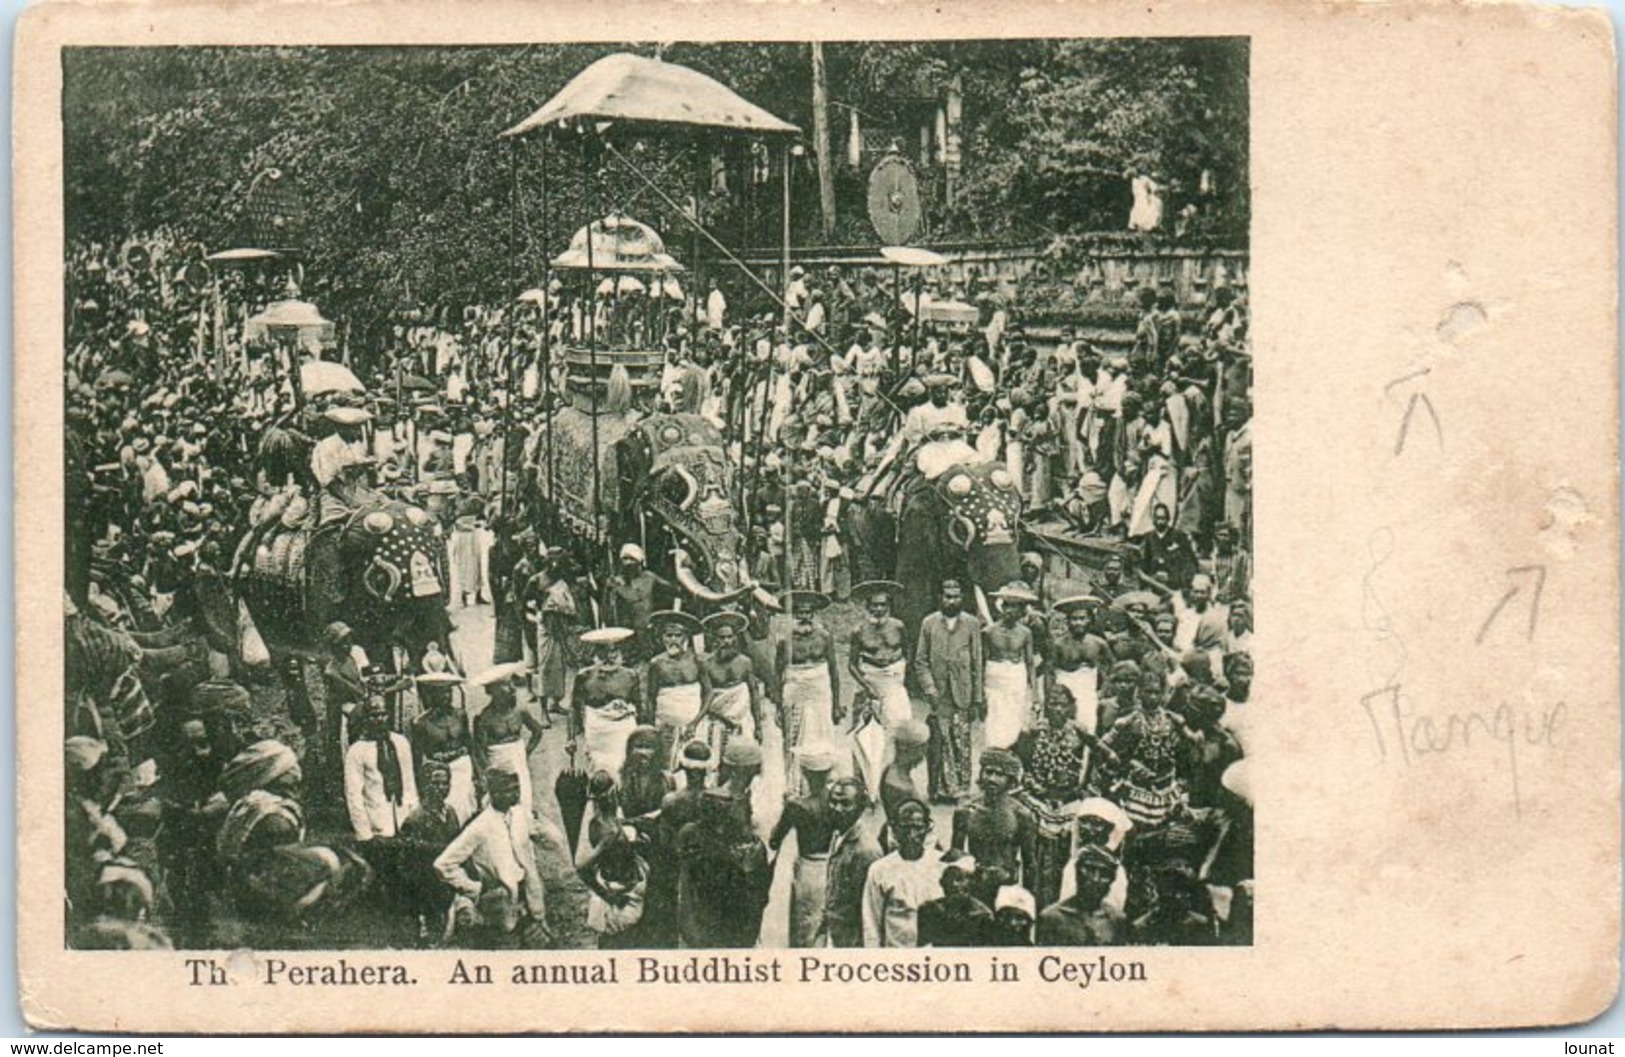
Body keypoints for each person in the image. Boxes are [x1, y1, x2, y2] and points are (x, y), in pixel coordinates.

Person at [433, 768, 548, 948]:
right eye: (508, 790)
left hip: (527, 898)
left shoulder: (518, 814)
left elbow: (544, 836)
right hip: (500, 903)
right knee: (505, 951)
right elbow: (443, 864)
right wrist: (475, 888)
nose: (515, 794)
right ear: (494, 794)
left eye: (516, 788)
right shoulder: (480, 826)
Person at [914, 579, 984, 803]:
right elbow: (920, 660)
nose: (951, 600)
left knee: (961, 741)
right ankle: (940, 789)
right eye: (947, 596)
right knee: (940, 742)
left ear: (962, 598)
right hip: (939, 693)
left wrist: (977, 698)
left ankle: (961, 788)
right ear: (940, 598)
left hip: (962, 692)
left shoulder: (972, 624)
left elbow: (977, 662)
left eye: (956, 596)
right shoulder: (929, 623)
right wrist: (929, 689)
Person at [675, 786, 771, 948]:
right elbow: (759, 892)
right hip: (722, 923)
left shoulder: (689, 833)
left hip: (705, 921)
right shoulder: (747, 844)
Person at [768, 744, 839, 948]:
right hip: (832, 863)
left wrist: (786, 805)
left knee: (804, 927)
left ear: (805, 772)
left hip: (808, 868)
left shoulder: (797, 806)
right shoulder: (836, 800)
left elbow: (774, 840)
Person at [847, 580, 910, 798]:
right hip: (869, 682)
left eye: (882, 604)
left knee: (896, 732)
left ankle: (892, 782)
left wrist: (898, 676)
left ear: (889, 606)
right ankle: (865, 785)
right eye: (874, 605)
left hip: (893, 683)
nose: (878, 609)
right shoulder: (859, 630)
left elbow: (906, 653)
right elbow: (851, 665)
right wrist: (866, 687)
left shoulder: (898, 627)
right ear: (867, 606)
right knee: (865, 736)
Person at [951, 748, 1037, 908]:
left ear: (1011, 780)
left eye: (1000, 774)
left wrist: (1027, 902)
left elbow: (1030, 863)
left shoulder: (1021, 815)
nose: (992, 779)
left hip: (1006, 888)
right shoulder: (966, 811)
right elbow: (957, 858)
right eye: (988, 772)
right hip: (974, 888)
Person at [776, 590, 841, 796]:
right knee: (793, 737)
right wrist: (778, 705)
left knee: (821, 732)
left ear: (814, 614)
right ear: (793, 615)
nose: (804, 617)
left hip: (820, 689)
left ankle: (821, 780)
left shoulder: (824, 637)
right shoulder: (785, 640)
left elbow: (833, 670)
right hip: (794, 688)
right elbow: (777, 673)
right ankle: (794, 784)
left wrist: (837, 704)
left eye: (808, 612)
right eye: (800, 613)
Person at [861, 798, 945, 948]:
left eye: (917, 827)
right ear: (893, 829)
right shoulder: (880, 870)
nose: (911, 835)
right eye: (905, 827)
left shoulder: (941, 865)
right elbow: (871, 923)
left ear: (927, 828)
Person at [471, 663, 547, 818]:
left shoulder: (519, 710)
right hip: (497, 763)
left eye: (512, 684)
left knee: (523, 801)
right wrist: (487, 775)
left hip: (518, 763)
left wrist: (526, 752)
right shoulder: (484, 718)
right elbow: (479, 752)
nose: (512, 689)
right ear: (493, 691)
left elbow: (537, 731)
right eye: (506, 686)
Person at [344, 698, 420, 844]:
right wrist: (365, 834)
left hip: (404, 820)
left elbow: (409, 782)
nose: (379, 719)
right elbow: (353, 795)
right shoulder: (357, 750)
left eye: (383, 714)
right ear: (365, 719)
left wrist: (414, 817)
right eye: (374, 715)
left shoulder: (401, 742)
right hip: (377, 825)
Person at [572, 627, 642, 784]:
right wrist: (571, 738)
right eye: (603, 652)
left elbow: (639, 707)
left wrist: (642, 734)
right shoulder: (584, 677)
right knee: (599, 776)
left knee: (624, 772)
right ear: (595, 654)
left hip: (624, 731)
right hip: (597, 733)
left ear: (619, 653)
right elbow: (574, 707)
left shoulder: (630, 676)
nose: (609, 657)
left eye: (613, 651)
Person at [697, 611, 762, 773]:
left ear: (735, 638)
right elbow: (706, 695)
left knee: (742, 763)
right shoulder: (707, 664)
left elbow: (754, 693)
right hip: (716, 721)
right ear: (714, 639)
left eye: (730, 637)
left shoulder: (745, 662)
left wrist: (759, 725)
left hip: (742, 720)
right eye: (722, 637)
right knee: (715, 764)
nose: (726, 641)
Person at [410, 673, 478, 826]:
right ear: (431, 696)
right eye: (441, 693)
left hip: (462, 768)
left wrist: (477, 773)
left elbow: (469, 745)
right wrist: (421, 789)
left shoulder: (460, 715)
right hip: (439, 773)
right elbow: (416, 760)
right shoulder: (421, 723)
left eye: (449, 692)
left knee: (466, 809)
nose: (446, 697)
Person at [823, 777, 883, 948]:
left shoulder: (866, 851)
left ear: (860, 806)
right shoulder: (839, 832)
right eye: (833, 802)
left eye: (845, 803)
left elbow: (869, 910)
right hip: (835, 933)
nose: (837, 809)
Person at [644, 610, 708, 769]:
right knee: (665, 768)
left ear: (685, 637)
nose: (673, 640)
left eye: (677, 635)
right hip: (665, 727)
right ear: (662, 638)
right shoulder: (656, 663)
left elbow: (709, 692)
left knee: (695, 766)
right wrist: (652, 729)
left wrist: (695, 722)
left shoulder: (696, 660)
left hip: (694, 726)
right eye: (668, 635)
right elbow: (650, 698)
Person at [983, 582, 1038, 749]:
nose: (1010, 611)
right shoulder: (989, 632)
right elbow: (981, 663)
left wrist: (1034, 693)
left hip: (1016, 681)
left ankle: (1011, 756)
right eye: (1007, 606)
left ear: (1021, 610)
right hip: (995, 682)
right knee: (994, 721)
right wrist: (979, 694)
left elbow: (1030, 663)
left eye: (1015, 607)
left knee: (1015, 721)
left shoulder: (1025, 633)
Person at [1036, 843, 1125, 945]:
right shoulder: (1052, 918)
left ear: (1112, 880)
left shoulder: (1117, 920)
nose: (1096, 879)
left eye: (1104, 874)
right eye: (1090, 870)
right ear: (1077, 872)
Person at [1050, 596, 1113, 735]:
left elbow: (1112, 667)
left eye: (1082, 618)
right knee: (1064, 727)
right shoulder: (1059, 644)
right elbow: (1049, 671)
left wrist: (1103, 689)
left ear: (1089, 620)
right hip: (1065, 691)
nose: (1078, 623)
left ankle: (1086, 756)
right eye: (1074, 619)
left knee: (1088, 728)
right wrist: (1051, 696)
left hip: (1088, 692)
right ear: (1068, 621)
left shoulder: (1098, 643)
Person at [606, 544, 665, 658]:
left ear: (639, 561)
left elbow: (634, 597)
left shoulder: (648, 577)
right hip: (627, 629)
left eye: (631, 559)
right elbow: (609, 607)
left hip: (646, 628)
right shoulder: (619, 580)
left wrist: (618, 587)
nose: (628, 563)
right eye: (625, 559)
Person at [916, 860, 995, 947]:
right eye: (949, 878)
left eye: (959, 879)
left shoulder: (981, 914)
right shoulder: (928, 909)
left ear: (969, 882)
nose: (953, 884)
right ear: (941, 882)